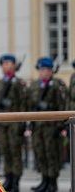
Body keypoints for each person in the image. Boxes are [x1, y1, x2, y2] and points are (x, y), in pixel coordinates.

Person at [28, 57, 67, 192]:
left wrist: (60, 126)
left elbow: (62, 106)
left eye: (45, 69)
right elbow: (31, 106)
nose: (42, 72)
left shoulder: (57, 84)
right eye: (40, 69)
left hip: (51, 126)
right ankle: (44, 180)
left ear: (51, 70)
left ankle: (52, 182)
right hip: (38, 126)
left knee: (52, 154)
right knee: (41, 153)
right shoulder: (35, 85)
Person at [0, 54, 27, 191]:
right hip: (2, 123)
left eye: (8, 63)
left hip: (14, 123)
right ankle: (8, 177)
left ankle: (16, 181)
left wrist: (23, 123)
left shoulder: (19, 83)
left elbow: (24, 104)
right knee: (5, 151)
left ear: (14, 65)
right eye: (3, 64)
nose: (5, 66)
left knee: (15, 152)